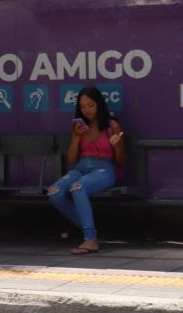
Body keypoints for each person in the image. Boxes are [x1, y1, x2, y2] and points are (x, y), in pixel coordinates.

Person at [47, 86, 126, 254]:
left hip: (104, 169)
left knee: (78, 188)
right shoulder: (79, 128)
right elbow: (71, 159)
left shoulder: (112, 125)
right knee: (54, 192)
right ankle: (89, 228)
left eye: (90, 105)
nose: (87, 110)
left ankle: (90, 239)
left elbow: (121, 161)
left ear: (99, 104)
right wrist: (76, 137)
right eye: (82, 107)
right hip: (81, 167)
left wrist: (118, 147)